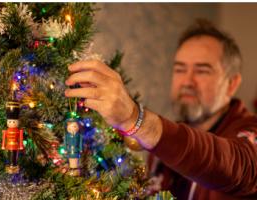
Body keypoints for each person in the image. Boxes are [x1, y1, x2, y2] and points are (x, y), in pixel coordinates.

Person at [64, 19, 257, 199]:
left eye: (202, 70)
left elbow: (238, 167)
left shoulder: (250, 131)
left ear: (232, 84)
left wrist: (135, 118)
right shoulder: (162, 148)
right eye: (180, 69)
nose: (187, 82)